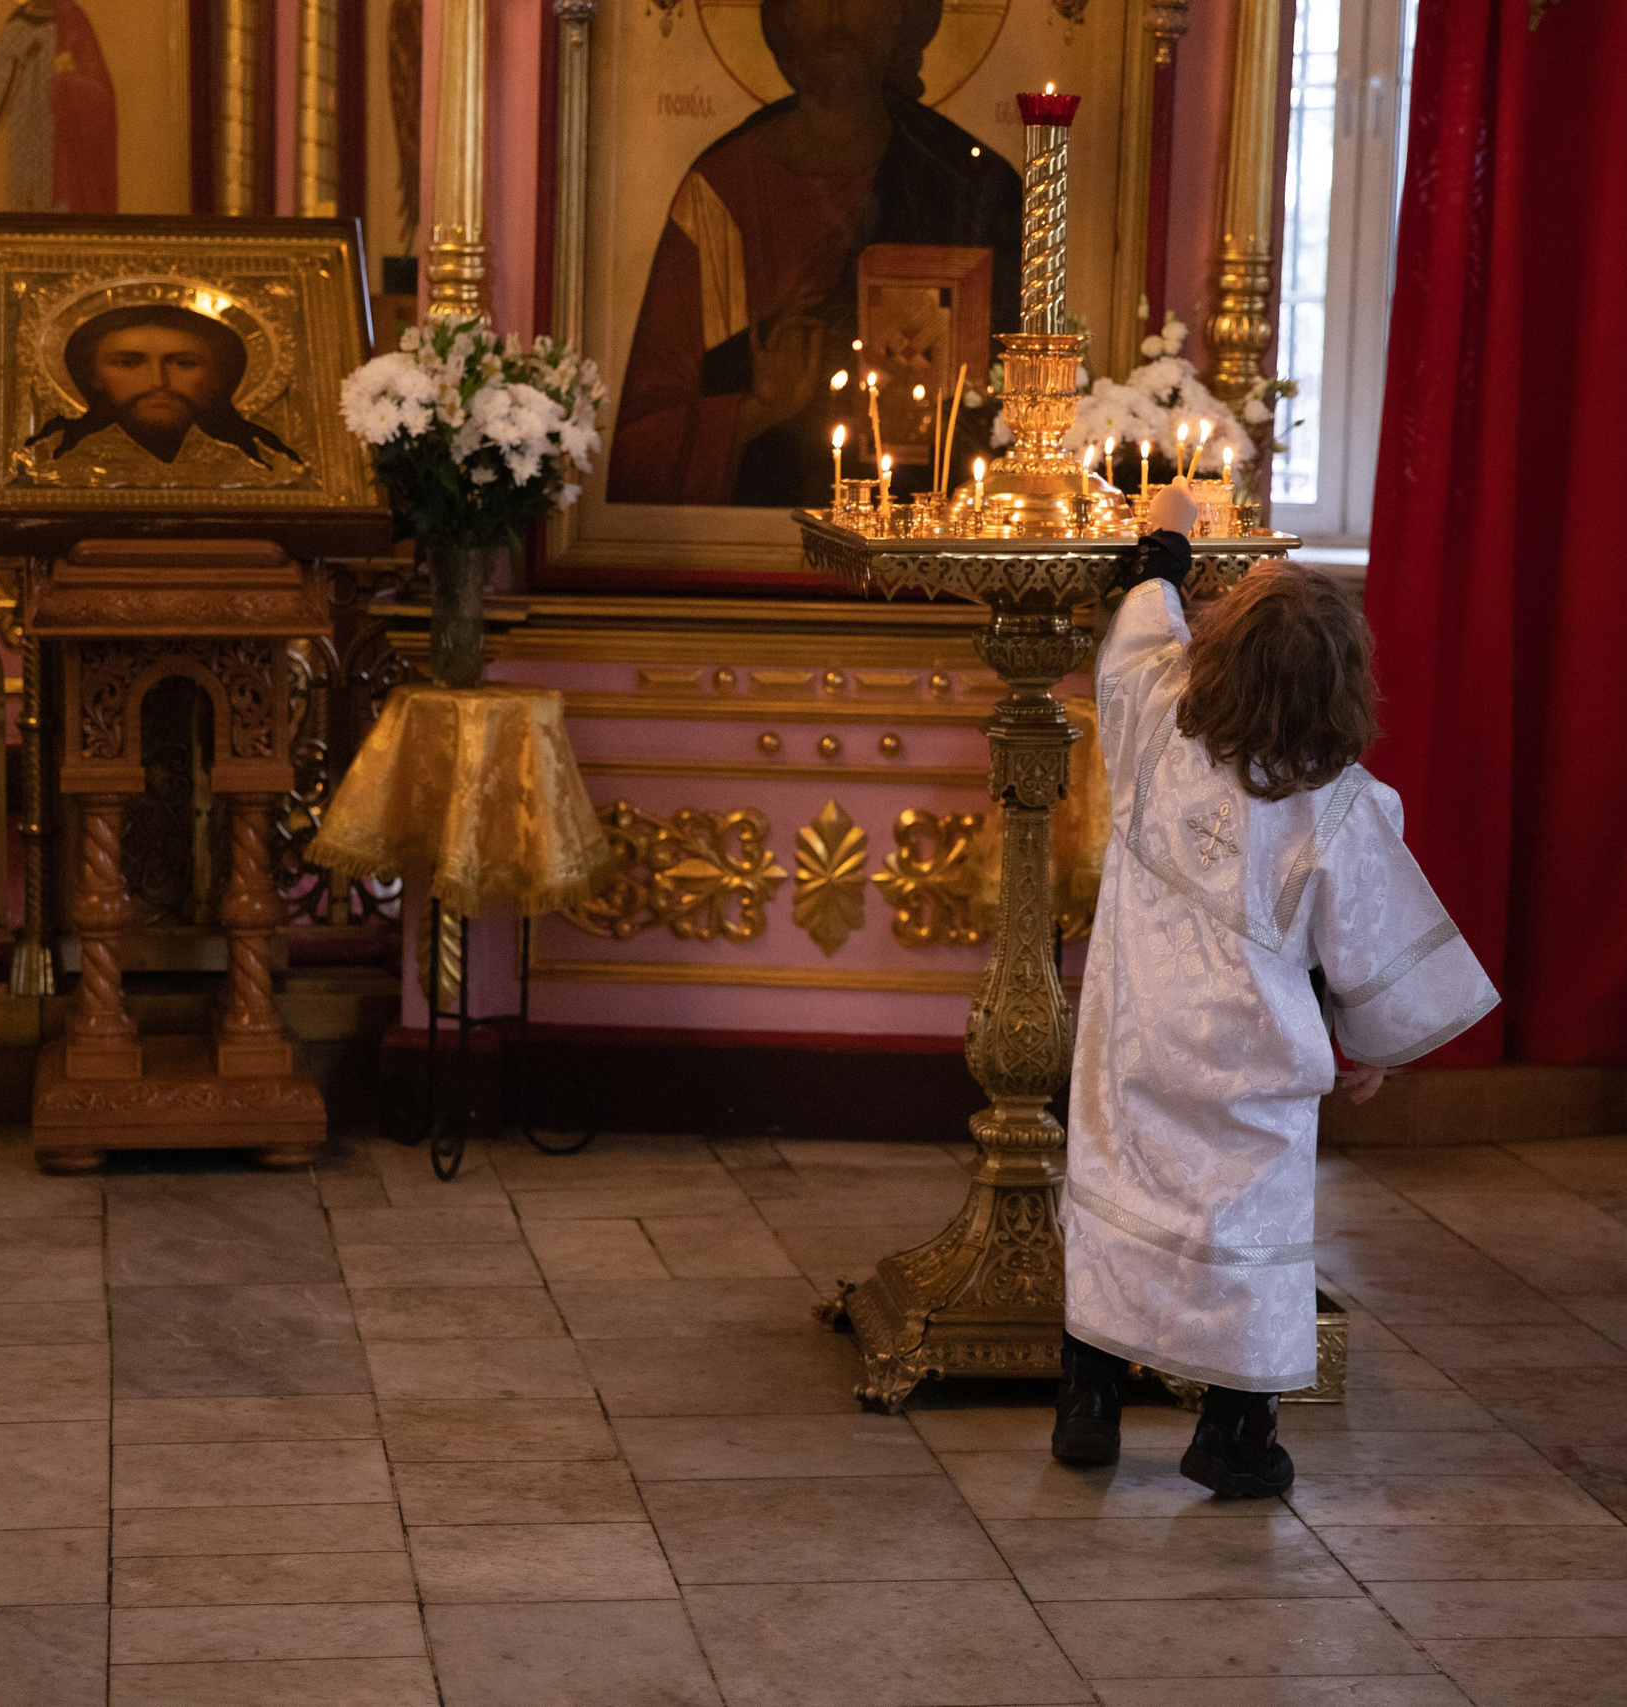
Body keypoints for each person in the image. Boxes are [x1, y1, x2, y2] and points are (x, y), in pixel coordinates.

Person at [1053, 484, 1499, 1497]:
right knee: (1247, 1239)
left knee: (1114, 1201)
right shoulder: (1342, 806)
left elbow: (1140, 612)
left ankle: (1086, 1403)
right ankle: (1235, 1437)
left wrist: (1168, 533)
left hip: (1134, 1035)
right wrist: (1371, 1046)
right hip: (1252, 1061)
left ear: (1220, 653)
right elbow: (1369, 944)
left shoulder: (1155, 716)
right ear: (1341, 685)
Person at [606, 0, 1018, 508]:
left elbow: (1010, 405)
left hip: (925, 537)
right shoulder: (721, 193)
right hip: (753, 533)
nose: (837, 15)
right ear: (780, 16)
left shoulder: (966, 184)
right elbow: (640, 451)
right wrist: (757, 410)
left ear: (901, 16)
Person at [22, 303, 304, 487]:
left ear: (218, 377)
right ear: (92, 376)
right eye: (128, 362)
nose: (159, 382)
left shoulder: (267, 467)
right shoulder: (50, 464)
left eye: (183, 363)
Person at [0, 0, 119, 214]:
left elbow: (100, 89)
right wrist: (17, 65)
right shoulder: (18, 21)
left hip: (60, 135)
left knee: (57, 209)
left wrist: (69, 78)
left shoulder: (74, 21)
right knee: (24, 205)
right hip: (24, 130)